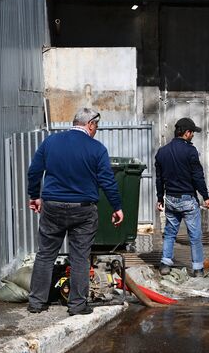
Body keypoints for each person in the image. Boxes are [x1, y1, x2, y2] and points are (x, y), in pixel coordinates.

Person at [27, 107, 124, 316]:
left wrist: (34, 196)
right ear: (89, 124)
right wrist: (117, 207)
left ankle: (36, 302)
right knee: (80, 257)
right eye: (96, 126)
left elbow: (34, 171)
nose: (96, 130)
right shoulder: (97, 149)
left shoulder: (51, 142)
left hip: (52, 206)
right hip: (83, 210)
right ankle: (77, 305)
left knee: (45, 254)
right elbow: (108, 181)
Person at [155, 117, 209, 277]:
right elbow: (198, 177)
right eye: (192, 132)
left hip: (170, 199)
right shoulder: (190, 151)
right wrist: (206, 197)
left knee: (170, 233)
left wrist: (160, 198)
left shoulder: (162, 152)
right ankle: (198, 269)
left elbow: (159, 179)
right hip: (188, 200)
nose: (193, 135)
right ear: (187, 133)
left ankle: (165, 264)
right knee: (194, 236)